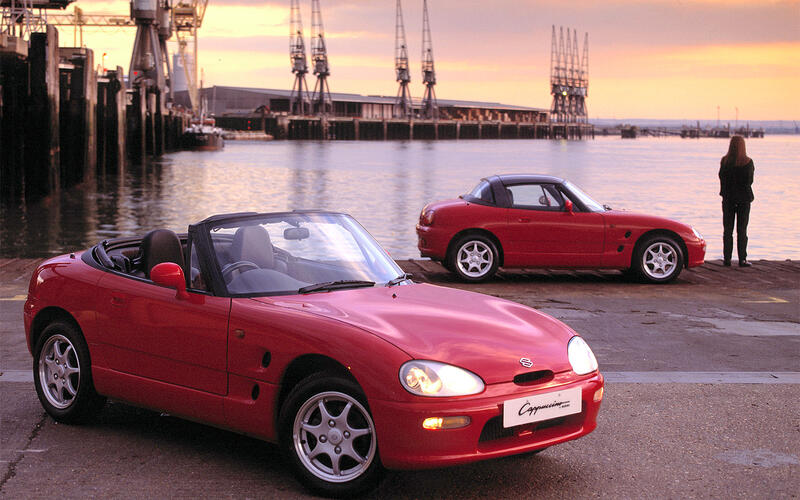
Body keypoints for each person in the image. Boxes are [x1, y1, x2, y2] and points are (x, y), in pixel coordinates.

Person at [718, 136, 754, 267]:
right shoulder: (748, 162)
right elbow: (749, 181)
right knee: (742, 230)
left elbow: (721, 178)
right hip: (744, 199)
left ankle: (727, 259)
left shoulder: (725, 161)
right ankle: (742, 259)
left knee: (728, 230)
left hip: (728, 199)